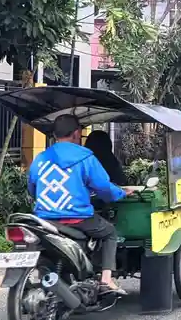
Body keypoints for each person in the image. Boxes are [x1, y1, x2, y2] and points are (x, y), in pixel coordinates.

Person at [28, 115, 129, 296]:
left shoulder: (41, 158)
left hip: (44, 220)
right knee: (110, 233)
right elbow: (104, 188)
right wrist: (121, 193)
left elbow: (32, 187)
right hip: (76, 218)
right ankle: (106, 279)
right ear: (76, 133)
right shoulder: (85, 157)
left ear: (54, 134)